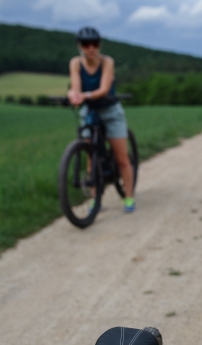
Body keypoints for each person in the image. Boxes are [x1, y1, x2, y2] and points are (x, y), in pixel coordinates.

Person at [67, 27, 135, 213]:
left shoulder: (107, 62)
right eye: (86, 44)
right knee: (91, 156)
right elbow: (76, 86)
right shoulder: (75, 63)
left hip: (110, 110)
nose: (91, 48)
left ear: (100, 45)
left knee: (122, 158)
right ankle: (96, 200)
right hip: (89, 111)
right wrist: (73, 94)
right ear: (79, 46)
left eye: (95, 44)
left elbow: (104, 89)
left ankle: (129, 197)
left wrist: (84, 95)